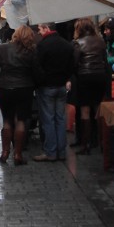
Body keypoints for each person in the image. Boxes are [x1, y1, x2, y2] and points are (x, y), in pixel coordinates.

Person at [0, 25, 42, 165]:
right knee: (21, 120)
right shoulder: (32, 50)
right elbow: (37, 72)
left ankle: (5, 152)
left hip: (6, 87)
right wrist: (35, 84)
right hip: (25, 88)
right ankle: (18, 154)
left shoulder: (3, 48)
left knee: (7, 120)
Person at [34, 22, 74, 161]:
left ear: (46, 28)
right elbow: (72, 66)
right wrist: (65, 78)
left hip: (47, 87)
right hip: (61, 86)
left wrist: (40, 81)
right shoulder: (66, 44)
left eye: (40, 29)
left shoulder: (43, 45)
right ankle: (61, 152)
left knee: (48, 120)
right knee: (60, 119)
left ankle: (51, 151)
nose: (39, 32)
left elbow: (37, 66)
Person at [70, 19, 109, 155]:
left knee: (85, 111)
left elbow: (74, 63)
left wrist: (78, 75)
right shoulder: (100, 41)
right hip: (100, 76)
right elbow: (105, 61)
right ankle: (102, 143)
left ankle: (85, 145)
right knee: (98, 110)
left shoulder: (77, 43)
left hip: (84, 78)